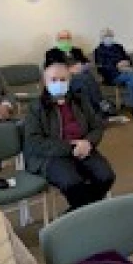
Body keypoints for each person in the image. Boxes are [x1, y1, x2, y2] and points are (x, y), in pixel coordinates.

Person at [23, 62, 115, 211]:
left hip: (83, 148)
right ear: (45, 83)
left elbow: (97, 126)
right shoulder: (36, 107)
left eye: (63, 79)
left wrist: (88, 142)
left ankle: (75, 214)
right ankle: (88, 214)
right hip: (51, 156)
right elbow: (35, 141)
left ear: (69, 81)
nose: (58, 83)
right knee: (73, 183)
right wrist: (70, 148)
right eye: (53, 80)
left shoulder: (80, 100)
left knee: (106, 176)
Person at [46, 30, 113, 118]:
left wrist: (82, 66)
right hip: (66, 80)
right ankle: (101, 103)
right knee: (87, 78)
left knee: (85, 85)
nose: (65, 40)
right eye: (62, 38)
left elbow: (87, 62)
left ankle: (92, 113)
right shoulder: (51, 53)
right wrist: (69, 70)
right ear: (57, 40)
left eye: (67, 38)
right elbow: (50, 69)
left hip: (81, 76)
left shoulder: (77, 50)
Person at [93, 28, 133, 118]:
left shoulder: (118, 47)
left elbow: (128, 58)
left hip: (126, 72)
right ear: (102, 38)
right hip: (111, 76)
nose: (109, 38)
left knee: (132, 80)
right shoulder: (98, 51)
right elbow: (101, 67)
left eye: (110, 36)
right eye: (106, 36)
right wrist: (117, 66)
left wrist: (127, 63)